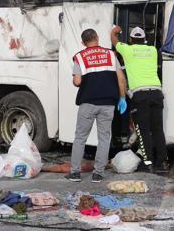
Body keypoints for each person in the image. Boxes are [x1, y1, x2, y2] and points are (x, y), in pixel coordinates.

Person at [67, 29, 127, 182]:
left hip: (87, 103)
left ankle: (75, 173)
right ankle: (98, 174)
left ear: (83, 42)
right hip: (108, 104)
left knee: (80, 138)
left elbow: (77, 81)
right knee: (104, 139)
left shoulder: (79, 57)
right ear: (97, 38)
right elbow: (121, 79)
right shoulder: (110, 54)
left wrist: (75, 77)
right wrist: (122, 98)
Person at [110, 25, 168, 174]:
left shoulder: (128, 50)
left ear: (130, 40)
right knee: (157, 130)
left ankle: (148, 163)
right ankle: (162, 163)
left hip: (140, 95)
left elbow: (114, 41)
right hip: (156, 93)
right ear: (145, 39)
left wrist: (114, 31)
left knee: (143, 131)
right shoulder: (153, 50)